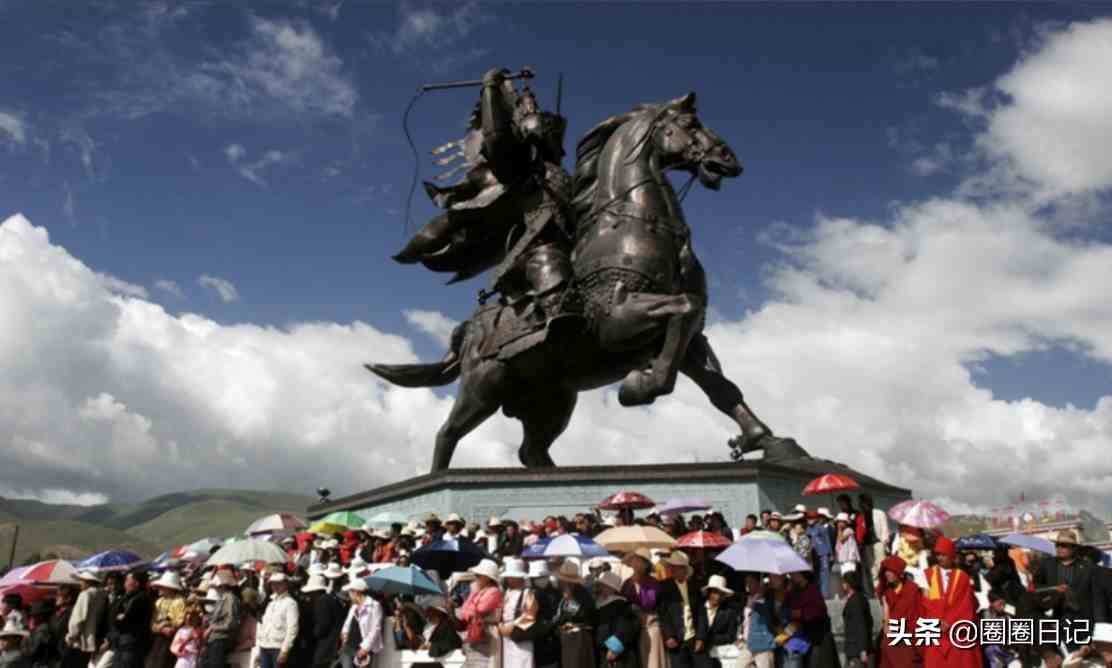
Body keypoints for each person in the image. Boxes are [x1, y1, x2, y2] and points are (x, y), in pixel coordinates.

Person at [1036, 529, 1108, 659]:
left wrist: (1101, 628)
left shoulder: (1088, 567)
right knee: (1069, 660)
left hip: (1084, 621)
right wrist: (1053, 590)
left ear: (1074, 548)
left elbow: (1097, 599)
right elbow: (1036, 589)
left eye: (1064, 545)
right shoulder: (1047, 565)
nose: (1059, 548)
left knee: (1088, 659)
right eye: (1057, 544)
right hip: (1060, 619)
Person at [920, 536, 982, 668]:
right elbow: (925, 602)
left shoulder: (962, 577)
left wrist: (951, 622)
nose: (940, 558)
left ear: (951, 555)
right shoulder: (928, 574)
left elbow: (966, 606)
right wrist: (937, 621)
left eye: (944, 555)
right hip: (935, 628)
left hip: (958, 628)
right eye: (938, 555)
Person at [657, 551, 709, 668]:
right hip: (676, 640)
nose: (674, 570)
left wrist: (701, 637)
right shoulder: (664, 587)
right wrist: (669, 635)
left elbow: (701, 613)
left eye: (678, 567)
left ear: (685, 569)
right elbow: (663, 614)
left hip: (694, 638)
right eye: (673, 567)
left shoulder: (695, 586)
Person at [453, 559, 502, 668]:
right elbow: (464, 612)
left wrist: (471, 608)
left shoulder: (494, 591)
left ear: (488, 577)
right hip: (475, 633)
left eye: (479, 575)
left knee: (485, 664)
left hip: (487, 634)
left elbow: (479, 610)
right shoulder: (477, 591)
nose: (476, 577)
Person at [553, 560, 596, 668]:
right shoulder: (562, 592)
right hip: (567, 636)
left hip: (578, 638)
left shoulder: (581, 594)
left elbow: (580, 613)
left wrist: (570, 599)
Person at [109, 571, 155, 668]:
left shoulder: (141, 599)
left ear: (136, 583)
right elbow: (114, 616)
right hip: (123, 643)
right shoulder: (128, 597)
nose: (125, 583)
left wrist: (119, 618)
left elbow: (124, 620)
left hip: (131, 644)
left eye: (127, 580)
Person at [592, 572, 638, 668]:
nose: (600, 588)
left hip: (618, 655)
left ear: (611, 588)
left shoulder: (620, 604)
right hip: (603, 652)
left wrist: (614, 648)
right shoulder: (600, 603)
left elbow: (624, 628)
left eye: (604, 585)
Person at [63, 570, 108, 668]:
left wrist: (71, 636)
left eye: (82, 581)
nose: (80, 583)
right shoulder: (103, 595)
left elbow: (78, 619)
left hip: (79, 641)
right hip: (92, 640)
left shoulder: (85, 594)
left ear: (88, 581)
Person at [255, 573, 298, 668]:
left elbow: (292, 628)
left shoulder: (291, 603)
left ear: (286, 584)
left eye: (279, 583)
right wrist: (259, 649)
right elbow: (264, 626)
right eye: (273, 584)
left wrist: (285, 650)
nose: (275, 586)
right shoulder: (271, 603)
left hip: (278, 647)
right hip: (264, 645)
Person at [496, 559, 533, 668]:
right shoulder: (506, 592)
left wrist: (512, 626)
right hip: (506, 639)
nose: (509, 579)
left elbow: (530, 616)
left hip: (520, 638)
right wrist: (500, 625)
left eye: (511, 576)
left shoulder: (528, 593)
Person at [338, 579, 382, 668]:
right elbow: (347, 622)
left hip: (362, 648)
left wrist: (365, 648)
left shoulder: (374, 605)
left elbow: (375, 629)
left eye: (350, 592)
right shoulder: (354, 606)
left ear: (356, 592)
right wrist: (344, 632)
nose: (349, 595)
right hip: (348, 646)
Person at [147, 572, 187, 668]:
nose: (160, 589)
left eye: (162, 586)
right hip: (157, 637)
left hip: (170, 640)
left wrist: (168, 625)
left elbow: (180, 621)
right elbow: (152, 621)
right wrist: (160, 627)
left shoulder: (180, 601)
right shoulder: (159, 601)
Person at [301, 574, 342, 668]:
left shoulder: (322, 601)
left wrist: (312, 635)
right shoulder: (331, 598)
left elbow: (323, 626)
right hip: (333, 644)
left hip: (327, 646)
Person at [736, 574, 776, 668]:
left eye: (751, 582)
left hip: (763, 644)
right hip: (747, 643)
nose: (748, 585)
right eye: (746, 582)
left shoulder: (767, 599)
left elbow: (769, 618)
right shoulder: (747, 599)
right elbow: (744, 621)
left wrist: (760, 598)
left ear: (759, 583)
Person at [203, 570, 241, 668]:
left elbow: (231, 622)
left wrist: (212, 627)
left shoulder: (230, 599)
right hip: (215, 639)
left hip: (221, 639)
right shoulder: (223, 598)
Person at [856, 493, 888, 598]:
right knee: (872, 568)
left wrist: (884, 542)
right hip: (867, 544)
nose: (860, 504)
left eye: (862, 502)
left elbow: (884, 529)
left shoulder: (879, 513)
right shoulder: (861, 515)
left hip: (878, 542)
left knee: (881, 566)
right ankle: (877, 590)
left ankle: (885, 588)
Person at [839, 569, 873, 668]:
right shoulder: (858, 598)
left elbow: (860, 625)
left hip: (856, 649)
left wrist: (862, 650)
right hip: (854, 648)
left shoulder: (856, 601)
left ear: (848, 584)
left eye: (844, 582)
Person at [701, 575, 738, 654]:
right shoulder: (698, 609)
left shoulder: (729, 613)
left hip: (717, 655)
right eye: (715, 592)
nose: (718, 597)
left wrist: (709, 639)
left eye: (721, 594)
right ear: (709, 592)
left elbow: (731, 636)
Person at [806, 510, 834, 599]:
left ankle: (824, 595)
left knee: (824, 574)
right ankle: (816, 595)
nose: (810, 520)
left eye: (812, 518)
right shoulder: (807, 529)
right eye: (809, 518)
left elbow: (827, 541)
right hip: (812, 555)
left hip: (823, 553)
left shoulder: (821, 528)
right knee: (815, 575)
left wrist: (831, 553)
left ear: (816, 518)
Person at [834, 512, 860, 599]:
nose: (839, 523)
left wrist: (839, 530)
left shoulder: (849, 530)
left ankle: (852, 593)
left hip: (849, 559)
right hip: (843, 559)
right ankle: (848, 594)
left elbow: (841, 539)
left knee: (850, 577)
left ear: (846, 522)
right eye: (838, 521)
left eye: (842, 521)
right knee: (844, 577)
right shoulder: (840, 531)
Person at [25, 599, 57, 668]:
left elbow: (31, 651)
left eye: (33, 616)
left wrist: (27, 636)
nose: (31, 619)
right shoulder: (47, 627)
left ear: (40, 616)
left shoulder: (42, 631)